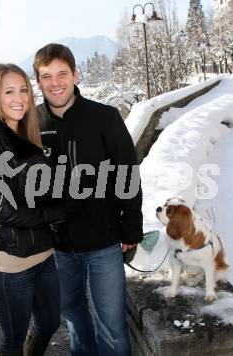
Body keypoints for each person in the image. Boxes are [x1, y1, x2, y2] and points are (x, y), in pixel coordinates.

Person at [33, 44, 144, 356]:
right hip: (58, 249)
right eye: (46, 76)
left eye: (62, 74)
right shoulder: (33, 125)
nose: (55, 82)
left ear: (75, 74)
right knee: (75, 322)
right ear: (38, 82)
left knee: (111, 328)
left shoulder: (104, 117)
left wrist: (131, 230)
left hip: (103, 244)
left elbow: (128, 176)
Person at [0, 63, 65, 356]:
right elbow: (6, 212)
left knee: (50, 323)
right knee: (13, 340)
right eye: (9, 91)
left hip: (45, 255)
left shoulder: (30, 138)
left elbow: (43, 191)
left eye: (24, 90)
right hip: (12, 264)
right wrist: (57, 213)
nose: (19, 98)